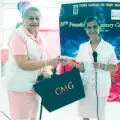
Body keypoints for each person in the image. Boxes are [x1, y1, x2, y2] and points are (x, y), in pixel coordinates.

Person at [2, 6, 64, 120]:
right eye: (30, 18)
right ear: (23, 19)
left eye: (37, 18)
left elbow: (41, 57)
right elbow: (23, 63)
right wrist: (49, 62)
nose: (34, 21)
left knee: (32, 117)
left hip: (35, 85)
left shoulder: (39, 36)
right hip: (20, 87)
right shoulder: (18, 35)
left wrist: (46, 70)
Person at [76, 16, 118, 120]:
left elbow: (114, 66)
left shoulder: (108, 47)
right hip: (85, 86)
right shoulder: (82, 47)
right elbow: (81, 68)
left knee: (100, 115)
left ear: (99, 28)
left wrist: (101, 66)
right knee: (85, 114)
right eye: (89, 27)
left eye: (95, 27)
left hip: (101, 86)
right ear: (86, 30)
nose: (92, 30)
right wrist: (75, 66)